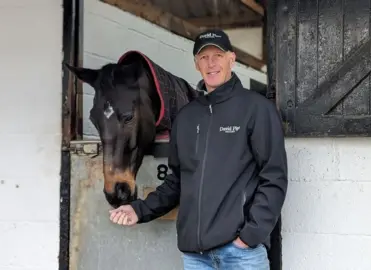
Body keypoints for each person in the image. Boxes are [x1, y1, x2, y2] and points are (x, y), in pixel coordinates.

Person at [109, 29, 288, 270]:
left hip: (241, 256)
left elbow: (274, 176)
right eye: (204, 57)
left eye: (218, 55)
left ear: (231, 59)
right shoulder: (186, 117)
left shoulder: (257, 109)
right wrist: (139, 210)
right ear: (196, 64)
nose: (211, 63)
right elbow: (177, 182)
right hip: (196, 258)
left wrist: (249, 237)